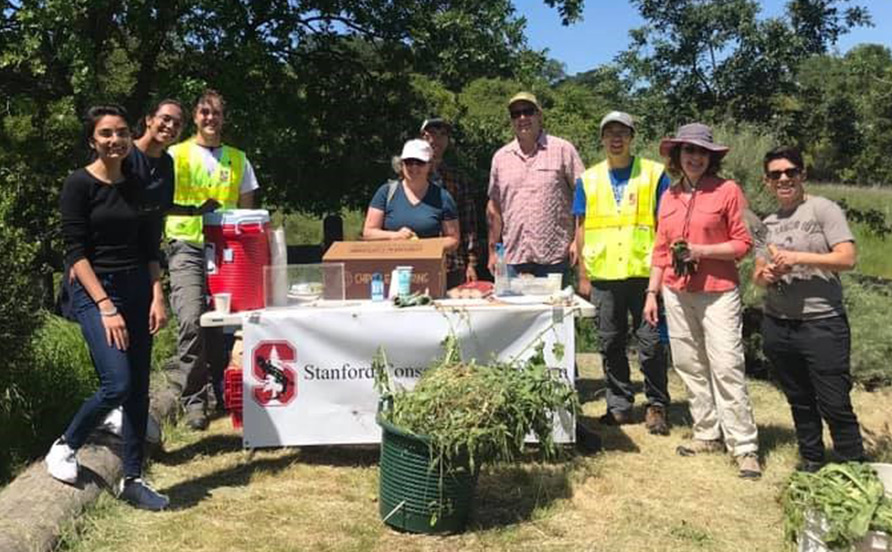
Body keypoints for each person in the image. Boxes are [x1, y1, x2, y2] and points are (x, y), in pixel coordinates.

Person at [46, 104, 169, 510]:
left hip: (138, 285)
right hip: (95, 289)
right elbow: (76, 252)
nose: (114, 140)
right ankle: (66, 445)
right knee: (116, 383)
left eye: (120, 132)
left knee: (137, 391)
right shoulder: (78, 185)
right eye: (105, 134)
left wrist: (157, 294)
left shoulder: (137, 183)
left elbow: (150, 246)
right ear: (92, 141)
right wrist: (105, 305)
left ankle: (132, 479)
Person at [642, 123, 761, 479]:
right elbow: (661, 250)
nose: (695, 158)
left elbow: (743, 244)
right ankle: (707, 432)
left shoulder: (727, 191)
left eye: (701, 152)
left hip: (718, 291)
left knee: (725, 365)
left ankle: (744, 446)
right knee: (690, 364)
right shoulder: (669, 197)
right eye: (688, 151)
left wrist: (702, 251)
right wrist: (652, 292)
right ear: (677, 156)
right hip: (676, 293)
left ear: (711, 157)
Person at [753, 146, 865, 473]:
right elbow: (758, 275)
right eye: (776, 175)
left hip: (822, 322)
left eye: (790, 172)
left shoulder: (823, 210)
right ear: (767, 182)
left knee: (834, 401)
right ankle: (812, 460)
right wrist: (768, 274)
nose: (784, 179)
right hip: (779, 323)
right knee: (799, 399)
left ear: (802, 175)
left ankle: (853, 467)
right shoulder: (768, 224)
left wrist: (800, 258)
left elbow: (847, 258)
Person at [165, 89, 260, 430]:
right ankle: (193, 400)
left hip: (229, 250)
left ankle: (225, 390)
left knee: (227, 323)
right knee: (191, 319)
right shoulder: (175, 155)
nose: (210, 119)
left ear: (223, 118)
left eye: (216, 113)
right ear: (195, 117)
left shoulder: (238, 158)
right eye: (204, 113)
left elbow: (249, 212)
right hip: (188, 244)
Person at [574, 111, 671, 435]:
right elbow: (581, 227)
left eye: (623, 132)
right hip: (604, 275)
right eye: (610, 132)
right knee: (610, 343)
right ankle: (619, 405)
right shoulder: (587, 179)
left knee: (651, 343)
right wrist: (583, 275)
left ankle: (656, 405)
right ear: (602, 139)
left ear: (632, 137)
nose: (616, 138)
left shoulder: (654, 175)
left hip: (645, 275)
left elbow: (666, 225)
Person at [487, 92, 584, 282]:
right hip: (512, 258)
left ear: (539, 115)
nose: (522, 118)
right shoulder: (500, 157)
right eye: (516, 114)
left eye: (527, 111)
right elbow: (494, 206)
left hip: (555, 258)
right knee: (515, 312)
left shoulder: (563, 149)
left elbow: (584, 195)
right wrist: (493, 251)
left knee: (555, 312)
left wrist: (578, 242)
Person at [362, 138, 459, 252]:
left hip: (427, 266)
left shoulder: (443, 197)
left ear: (429, 165)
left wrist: (420, 246)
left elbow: (453, 239)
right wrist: (394, 236)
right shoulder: (385, 192)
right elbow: (368, 232)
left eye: (420, 162)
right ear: (401, 164)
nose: (414, 167)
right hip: (389, 266)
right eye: (409, 162)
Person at [420, 117, 481, 288]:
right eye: (431, 134)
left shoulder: (458, 178)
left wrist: (472, 264)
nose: (436, 139)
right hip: (418, 263)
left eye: (442, 134)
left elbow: (469, 224)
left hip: (453, 264)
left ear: (448, 141)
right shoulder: (410, 176)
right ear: (422, 138)